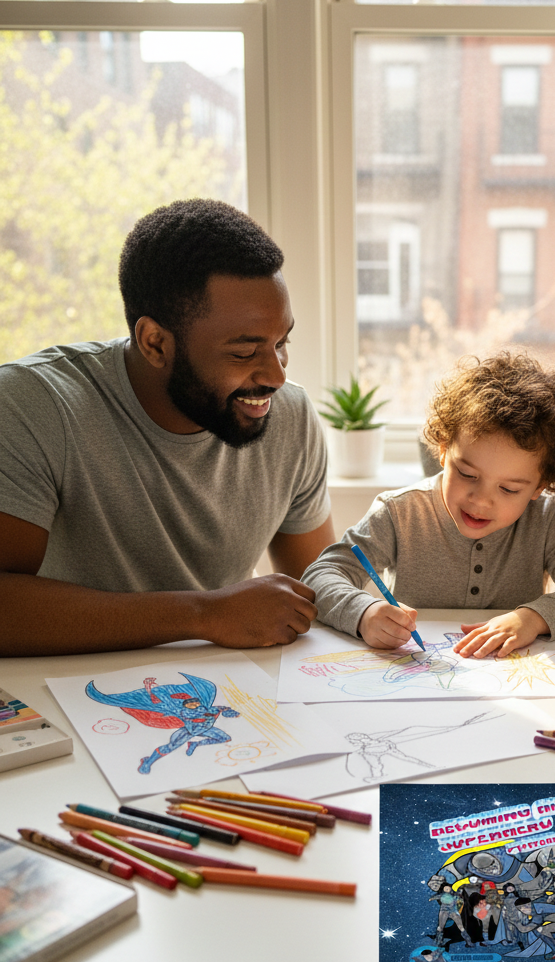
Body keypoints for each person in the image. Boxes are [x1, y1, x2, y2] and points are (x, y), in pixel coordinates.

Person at [0, 198, 336, 657]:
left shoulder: (289, 416)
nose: (276, 375)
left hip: (227, 700)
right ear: (155, 343)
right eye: (244, 352)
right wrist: (204, 614)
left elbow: (318, 587)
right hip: (65, 698)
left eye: (282, 342)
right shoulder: (35, 405)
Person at [303, 352, 555, 657]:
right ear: (443, 450)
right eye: (467, 474)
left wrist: (533, 618)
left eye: (509, 489)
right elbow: (321, 575)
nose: (481, 500)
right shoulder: (398, 513)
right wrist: (364, 612)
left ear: (538, 487)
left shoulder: (544, 520)